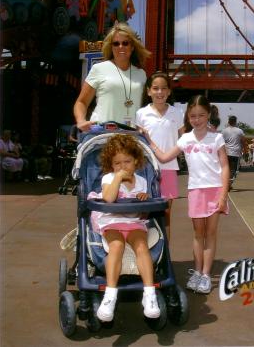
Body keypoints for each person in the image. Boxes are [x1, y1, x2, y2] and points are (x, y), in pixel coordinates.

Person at [146, 95, 229, 294]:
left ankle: (207, 275)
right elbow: (165, 157)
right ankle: (198, 272)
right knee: (198, 235)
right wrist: (149, 141)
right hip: (196, 191)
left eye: (201, 115)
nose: (197, 119)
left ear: (208, 114)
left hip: (215, 190)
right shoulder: (185, 139)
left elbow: (225, 166)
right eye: (193, 116)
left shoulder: (217, 138)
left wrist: (223, 195)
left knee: (210, 234)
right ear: (188, 117)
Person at [89, 134, 160, 322]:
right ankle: (110, 295)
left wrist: (143, 201)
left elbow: (143, 215)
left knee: (141, 246)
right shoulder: (109, 178)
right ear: (111, 165)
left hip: (133, 222)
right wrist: (118, 178)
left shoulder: (142, 182)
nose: (122, 167)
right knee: (117, 245)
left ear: (136, 161)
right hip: (111, 221)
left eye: (127, 162)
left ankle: (149, 293)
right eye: (117, 163)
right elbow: (109, 199)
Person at [73, 23, 151, 131]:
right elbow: (81, 102)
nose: (120, 47)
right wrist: (81, 121)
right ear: (111, 47)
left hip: (130, 135)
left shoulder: (141, 74)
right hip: (101, 132)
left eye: (125, 43)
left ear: (132, 47)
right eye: (116, 43)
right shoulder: (99, 69)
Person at [135, 71, 184, 240]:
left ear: (169, 91)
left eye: (164, 88)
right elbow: (138, 143)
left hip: (169, 169)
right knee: (143, 212)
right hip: (145, 169)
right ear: (148, 91)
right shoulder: (141, 113)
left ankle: (165, 257)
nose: (160, 92)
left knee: (166, 214)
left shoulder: (177, 113)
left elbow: (183, 140)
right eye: (155, 88)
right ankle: (145, 255)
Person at [222, 115, 247, 190]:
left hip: (226, 153)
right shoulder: (239, 131)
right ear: (235, 122)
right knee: (233, 170)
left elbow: (220, 142)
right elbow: (243, 141)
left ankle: (226, 184)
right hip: (236, 153)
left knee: (226, 169)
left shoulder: (224, 131)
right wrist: (245, 151)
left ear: (228, 122)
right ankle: (229, 184)